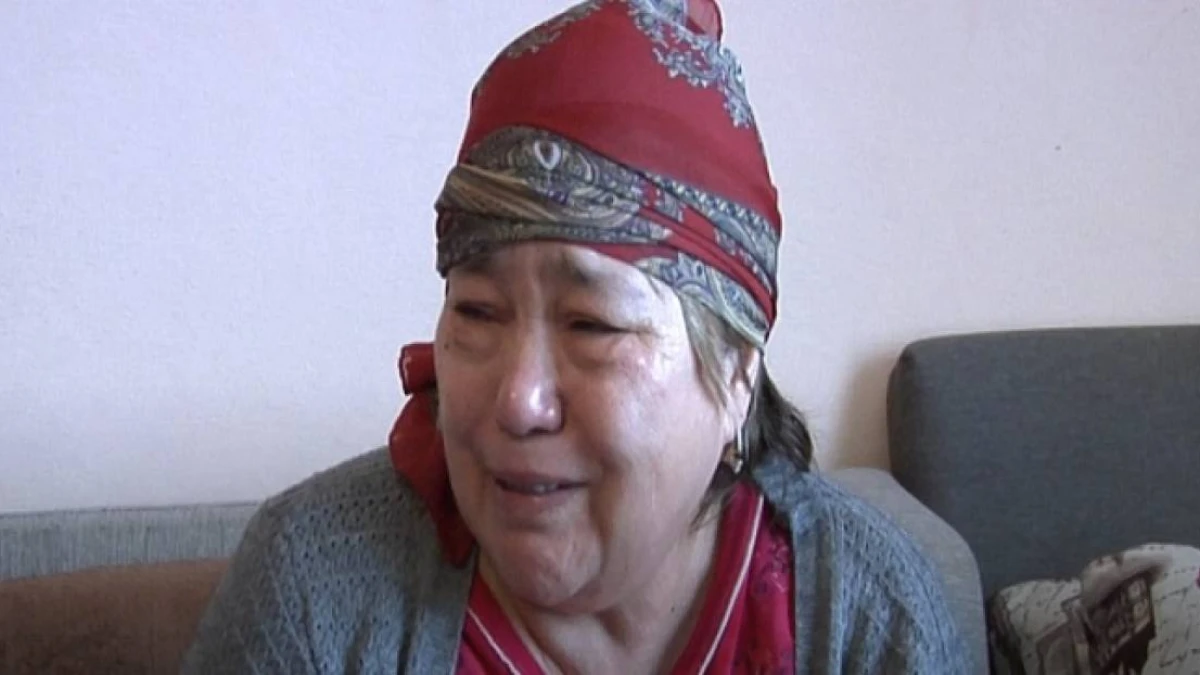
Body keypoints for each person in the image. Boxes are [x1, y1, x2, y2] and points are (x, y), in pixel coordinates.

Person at [184, 1, 968, 673]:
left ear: (735, 375)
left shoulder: (869, 618)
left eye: (591, 324)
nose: (518, 401)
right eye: (477, 311)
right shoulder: (312, 587)